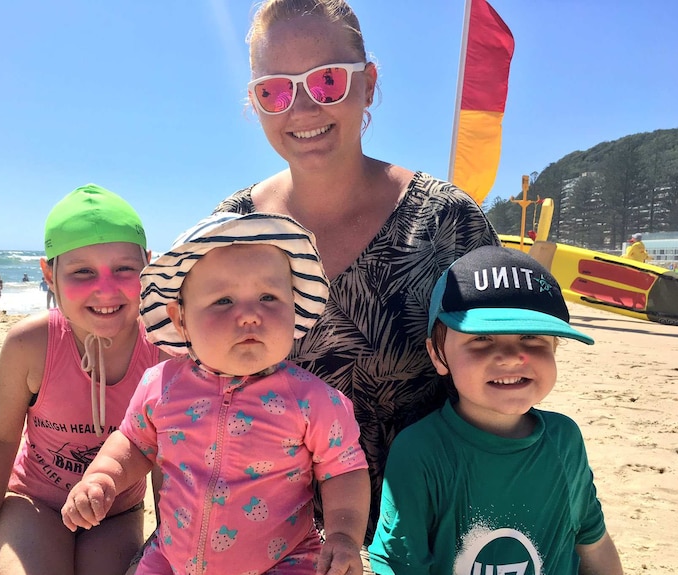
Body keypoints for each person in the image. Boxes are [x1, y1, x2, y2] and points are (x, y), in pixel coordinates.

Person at [212, 0, 499, 549]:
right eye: (274, 89)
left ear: (367, 83)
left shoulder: (446, 223)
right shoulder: (231, 231)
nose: (301, 107)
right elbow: (195, 391)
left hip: (420, 540)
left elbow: (497, 393)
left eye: (326, 81)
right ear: (256, 102)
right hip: (264, 544)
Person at [62, 212, 370, 575]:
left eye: (269, 297)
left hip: (283, 560)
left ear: (294, 307)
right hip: (174, 557)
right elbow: (133, 444)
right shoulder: (162, 385)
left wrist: (344, 534)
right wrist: (102, 478)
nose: (250, 315)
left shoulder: (312, 400)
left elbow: (343, 471)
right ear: (180, 320)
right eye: (224, 301)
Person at [0, 184, 164, 575]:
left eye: (124, 268)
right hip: (36, 503)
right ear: (49, 274)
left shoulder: (161, 349)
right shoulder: (31, 343)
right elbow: (0, 439)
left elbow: (166, 457)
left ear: (149, 265)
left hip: (116, 512)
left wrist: (172, 545)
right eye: (82, 271)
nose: (104, 289)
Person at [369, 246, 623, 575]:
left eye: (531, 336)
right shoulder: (420, 451)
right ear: (438, 356)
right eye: (482, 338)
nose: (511, 357)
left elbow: (593, 543)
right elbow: (399, 566)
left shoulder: (565, 440)